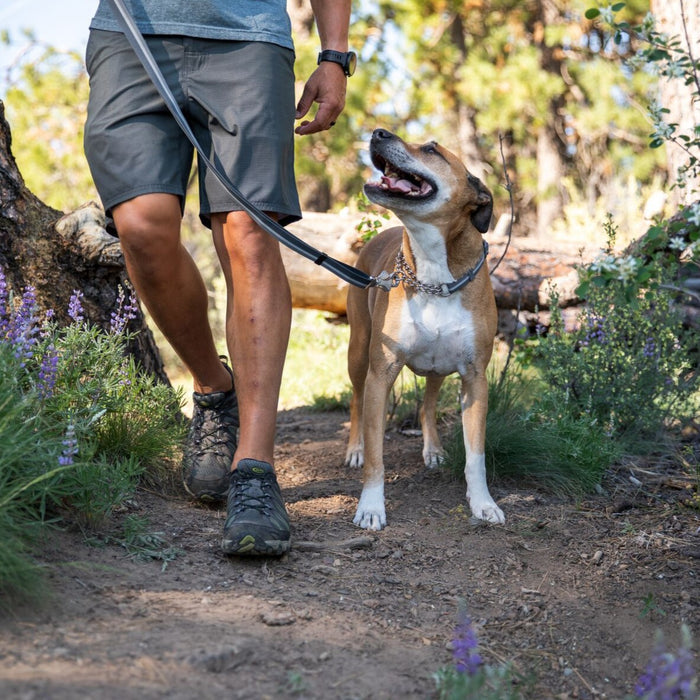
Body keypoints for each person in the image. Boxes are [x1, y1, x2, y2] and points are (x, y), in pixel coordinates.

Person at [83, 0, 355, 556]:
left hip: (249, 39)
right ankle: (213, 388)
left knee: (249, 233)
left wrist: (333, 55)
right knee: (140, 227)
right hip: (131, 34)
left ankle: (255, 469)